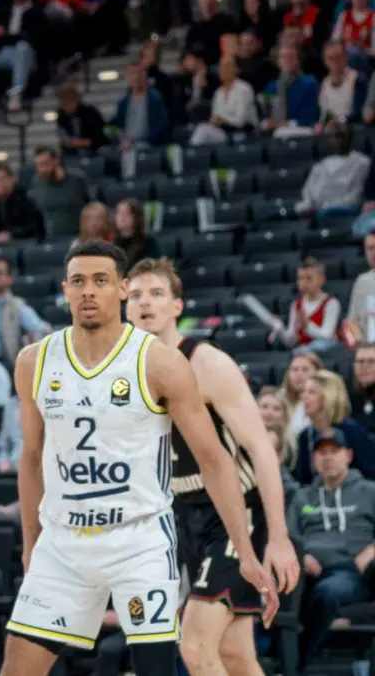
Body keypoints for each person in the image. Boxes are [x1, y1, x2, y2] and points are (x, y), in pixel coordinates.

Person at [1, 241, 272, 675]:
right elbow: (31, 458)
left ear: (122, 289)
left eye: (101, 281)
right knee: (17, 669)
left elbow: (214, 460)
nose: (88, 290)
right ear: (65, 290)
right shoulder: (34, 362)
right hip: (64, 540)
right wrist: (31, 545)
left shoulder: (159, 363)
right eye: (78, 281)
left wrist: (246, 551)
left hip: (139, 537)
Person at [124, 259, 300, 676]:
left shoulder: (206, 362)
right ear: (123, 306)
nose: (145, 302)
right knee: (237, 657)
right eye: (135, 295)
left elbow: (260, 449)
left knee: (196, 646)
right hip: (182, 513)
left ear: (177, 307)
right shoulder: (126, 370)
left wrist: (278, 537)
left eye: (156, 294)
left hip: (236, 511)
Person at [294, 428, 375, 663]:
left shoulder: (369, 491)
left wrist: (371, 550)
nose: (328, 457)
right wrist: (302, 555)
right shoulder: (303, 496)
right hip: (304, 571)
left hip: (348, 570)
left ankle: (299, 660)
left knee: (327, 593)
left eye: (334, 451)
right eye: (322, 452)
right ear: (313, 459)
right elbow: (288, 535)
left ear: (348, 455)